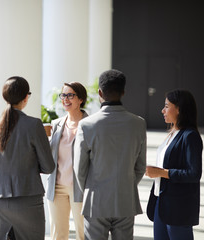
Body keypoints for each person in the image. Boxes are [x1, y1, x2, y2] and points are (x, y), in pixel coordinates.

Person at [73, 69, 147, 240]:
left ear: (100, 92)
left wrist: (90, 190)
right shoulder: (138, 123)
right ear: (123, 92)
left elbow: (80, 168)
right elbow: (140, 166)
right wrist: (125, 184)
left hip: (96, 199)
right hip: (125, 199)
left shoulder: (86, 125)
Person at [0, 76, 55, 240]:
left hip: (0, 202)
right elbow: (48, 167)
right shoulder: (34, 125)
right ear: (26, 97)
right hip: (29, 200)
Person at [145, 89, 203, 240]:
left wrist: (161, 172)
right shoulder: (172, 133)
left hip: (178, 208)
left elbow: (194, 173)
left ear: (179, 109)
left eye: (166, 106)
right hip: (161, 202)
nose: (162, 110)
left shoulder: (190, 136)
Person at [47, 82, 88, 240]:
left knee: (83, 233)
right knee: (58, 234)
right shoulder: (56, 124)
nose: (65, 99)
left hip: (81, 187)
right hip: (57, 187)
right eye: (63, 95)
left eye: (70, 95)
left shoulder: (90, 125)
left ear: (81, 99)